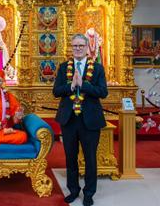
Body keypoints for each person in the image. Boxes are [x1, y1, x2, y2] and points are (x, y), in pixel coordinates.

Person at [53, 34, 108, 206]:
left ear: (87, 48)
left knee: (90, 158)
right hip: (69, 119)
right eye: (75, 46)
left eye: (81, 46)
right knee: (70, 157)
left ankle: (89, 193)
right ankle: (73, 189)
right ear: (71, 47)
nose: (77, 48)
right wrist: (71, 86)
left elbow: (103, 92)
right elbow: (56, 91)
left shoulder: (97, 68)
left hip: (90, 120)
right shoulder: (63, 68)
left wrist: (83, 85)